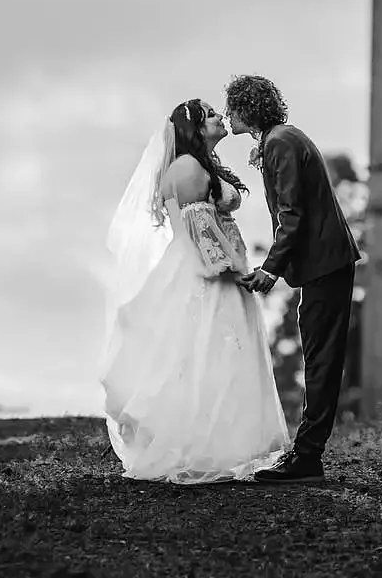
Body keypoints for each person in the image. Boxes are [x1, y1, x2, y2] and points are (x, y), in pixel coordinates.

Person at [100, 99, 290, 484]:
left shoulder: (200, 165)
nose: (221, 117)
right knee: (203, 352)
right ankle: (196, 447)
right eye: (212, 114)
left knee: (212, 355)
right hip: (204, 272)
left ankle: (217, 444)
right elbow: (197, 228)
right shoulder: (187, 167)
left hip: (212, 266)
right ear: (197, 127)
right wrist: (226, 268)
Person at [224, 73, 363, 484]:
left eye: (232, 108)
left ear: (247, 108)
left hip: (326, 262)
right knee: (318, 357)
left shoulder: (280, 142)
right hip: (324, 263)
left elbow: (292, 213)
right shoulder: (281, 138)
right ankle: (306, 455)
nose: (228, 116)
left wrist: (270, 270)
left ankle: (307, 459)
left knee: (321, 360)